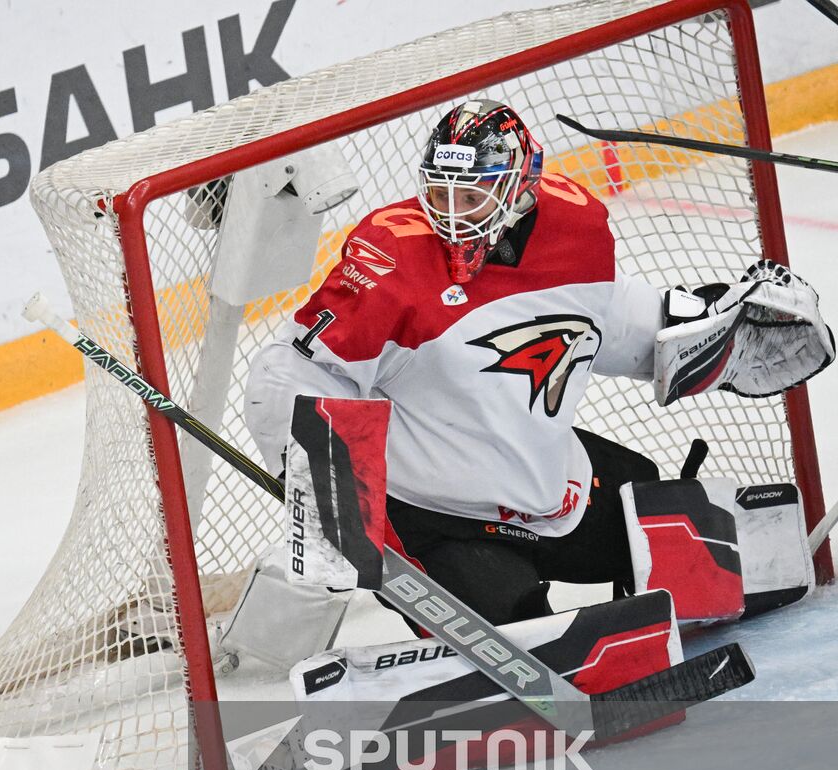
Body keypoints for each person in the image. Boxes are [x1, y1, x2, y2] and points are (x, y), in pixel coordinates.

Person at [244, 98, 827, 628]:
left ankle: (653, 610)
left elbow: (604, 313)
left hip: (553, 488)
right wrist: (325, 499)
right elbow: (293, 374)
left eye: (470, 196)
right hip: (440, 515)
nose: (451, 213)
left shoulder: (572, 226)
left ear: (520, 189)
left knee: (655, 506)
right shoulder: (391, 256)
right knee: (518, 627)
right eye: (440, 191)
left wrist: (706, 327)